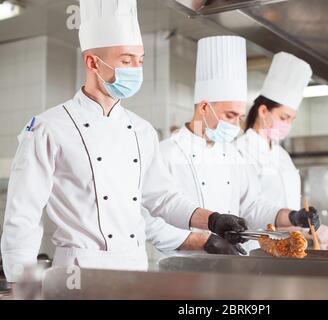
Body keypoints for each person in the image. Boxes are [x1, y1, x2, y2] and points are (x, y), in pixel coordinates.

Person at [0, 0, 247, 284]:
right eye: (126, 60)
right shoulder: (49, 128)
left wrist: (212, 219)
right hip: (78, 274)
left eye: (140, 60)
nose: (136, 69)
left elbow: (162, 198)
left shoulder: (142, 130)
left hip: (134, 270)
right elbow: (23, 216)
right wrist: (24, 287)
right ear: (92, 62)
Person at [157, 36, 323, 253]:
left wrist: (290, 215)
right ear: (205, 107)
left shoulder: (232, 154)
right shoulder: (166, 153)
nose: (236, 125)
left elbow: (252, 205)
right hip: (183, 268)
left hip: (232, 263)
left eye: (239, 116)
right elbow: (151, 220)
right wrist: (204, 242)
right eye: (230, 115)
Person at [237, 52, 328, 250]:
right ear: (263, 111)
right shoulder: (240, 152)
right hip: (255, 252)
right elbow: (250, 211)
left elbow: (290, 214)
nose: (287, 125)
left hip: (288, 250)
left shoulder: (282, 156)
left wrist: (309, 232)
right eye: (284, 117)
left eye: (291, 120)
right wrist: (294, 218)